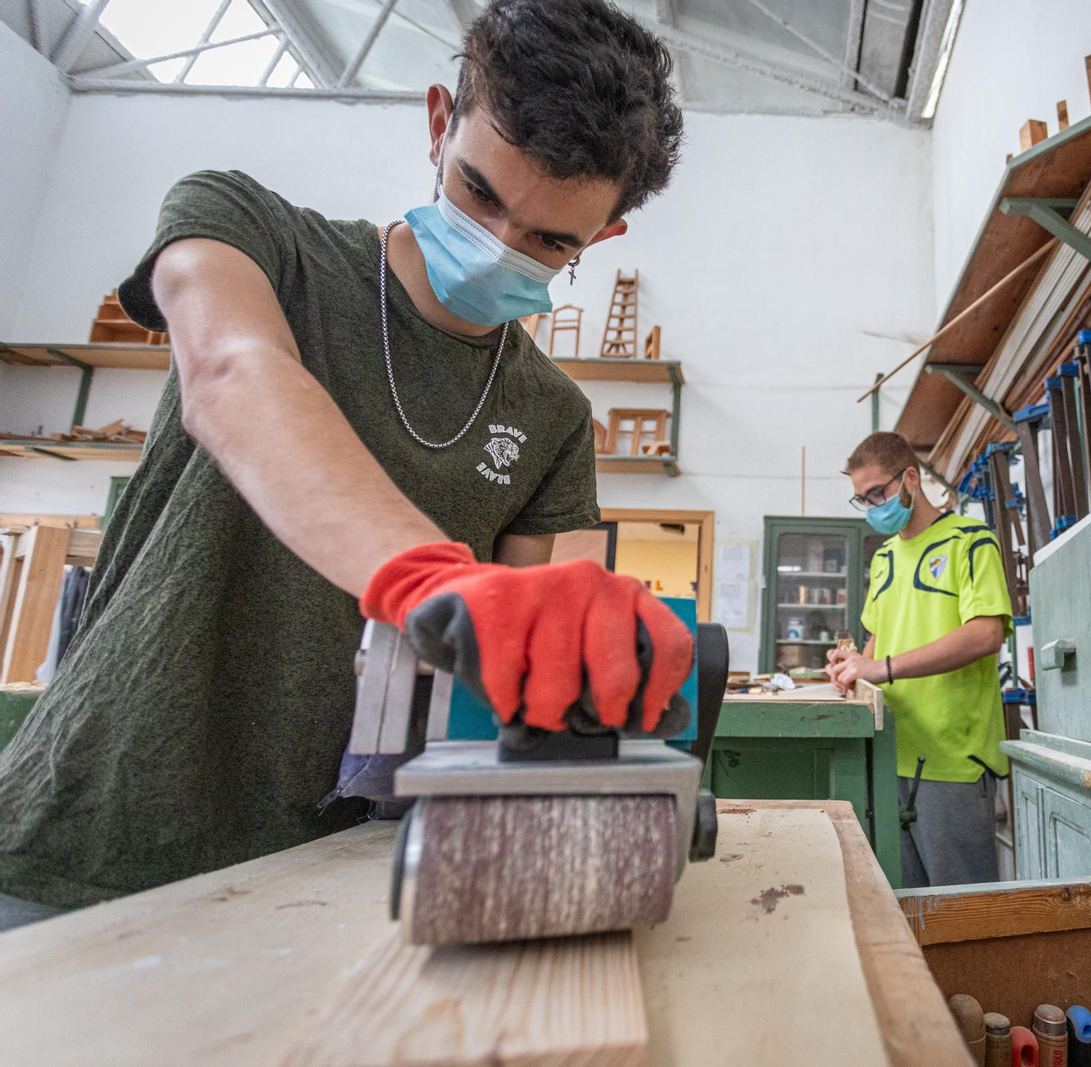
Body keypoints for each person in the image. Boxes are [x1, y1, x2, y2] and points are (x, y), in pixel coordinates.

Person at [0, 0, 694, 929]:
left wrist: (611, 674)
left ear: (601, 238)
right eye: (480, 194)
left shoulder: (555, 416)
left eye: (549, 240)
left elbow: (545, 663)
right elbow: (234, 376)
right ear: (441, 121)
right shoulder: (250, 231)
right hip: (99, 823)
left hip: (335, 866)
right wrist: (427, 577)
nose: (499, 245)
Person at [826, 432, 1013, 888]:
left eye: (878, 493)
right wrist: (849, 667)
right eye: (862, 499)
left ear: (911, 477)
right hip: (892, 753)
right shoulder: (886, 557)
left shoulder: (971, 541)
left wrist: (882, 668)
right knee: (901, 906)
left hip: (953, 760)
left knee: (963, 911)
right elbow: (873, 646)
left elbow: (986, 633)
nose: (872, 506)